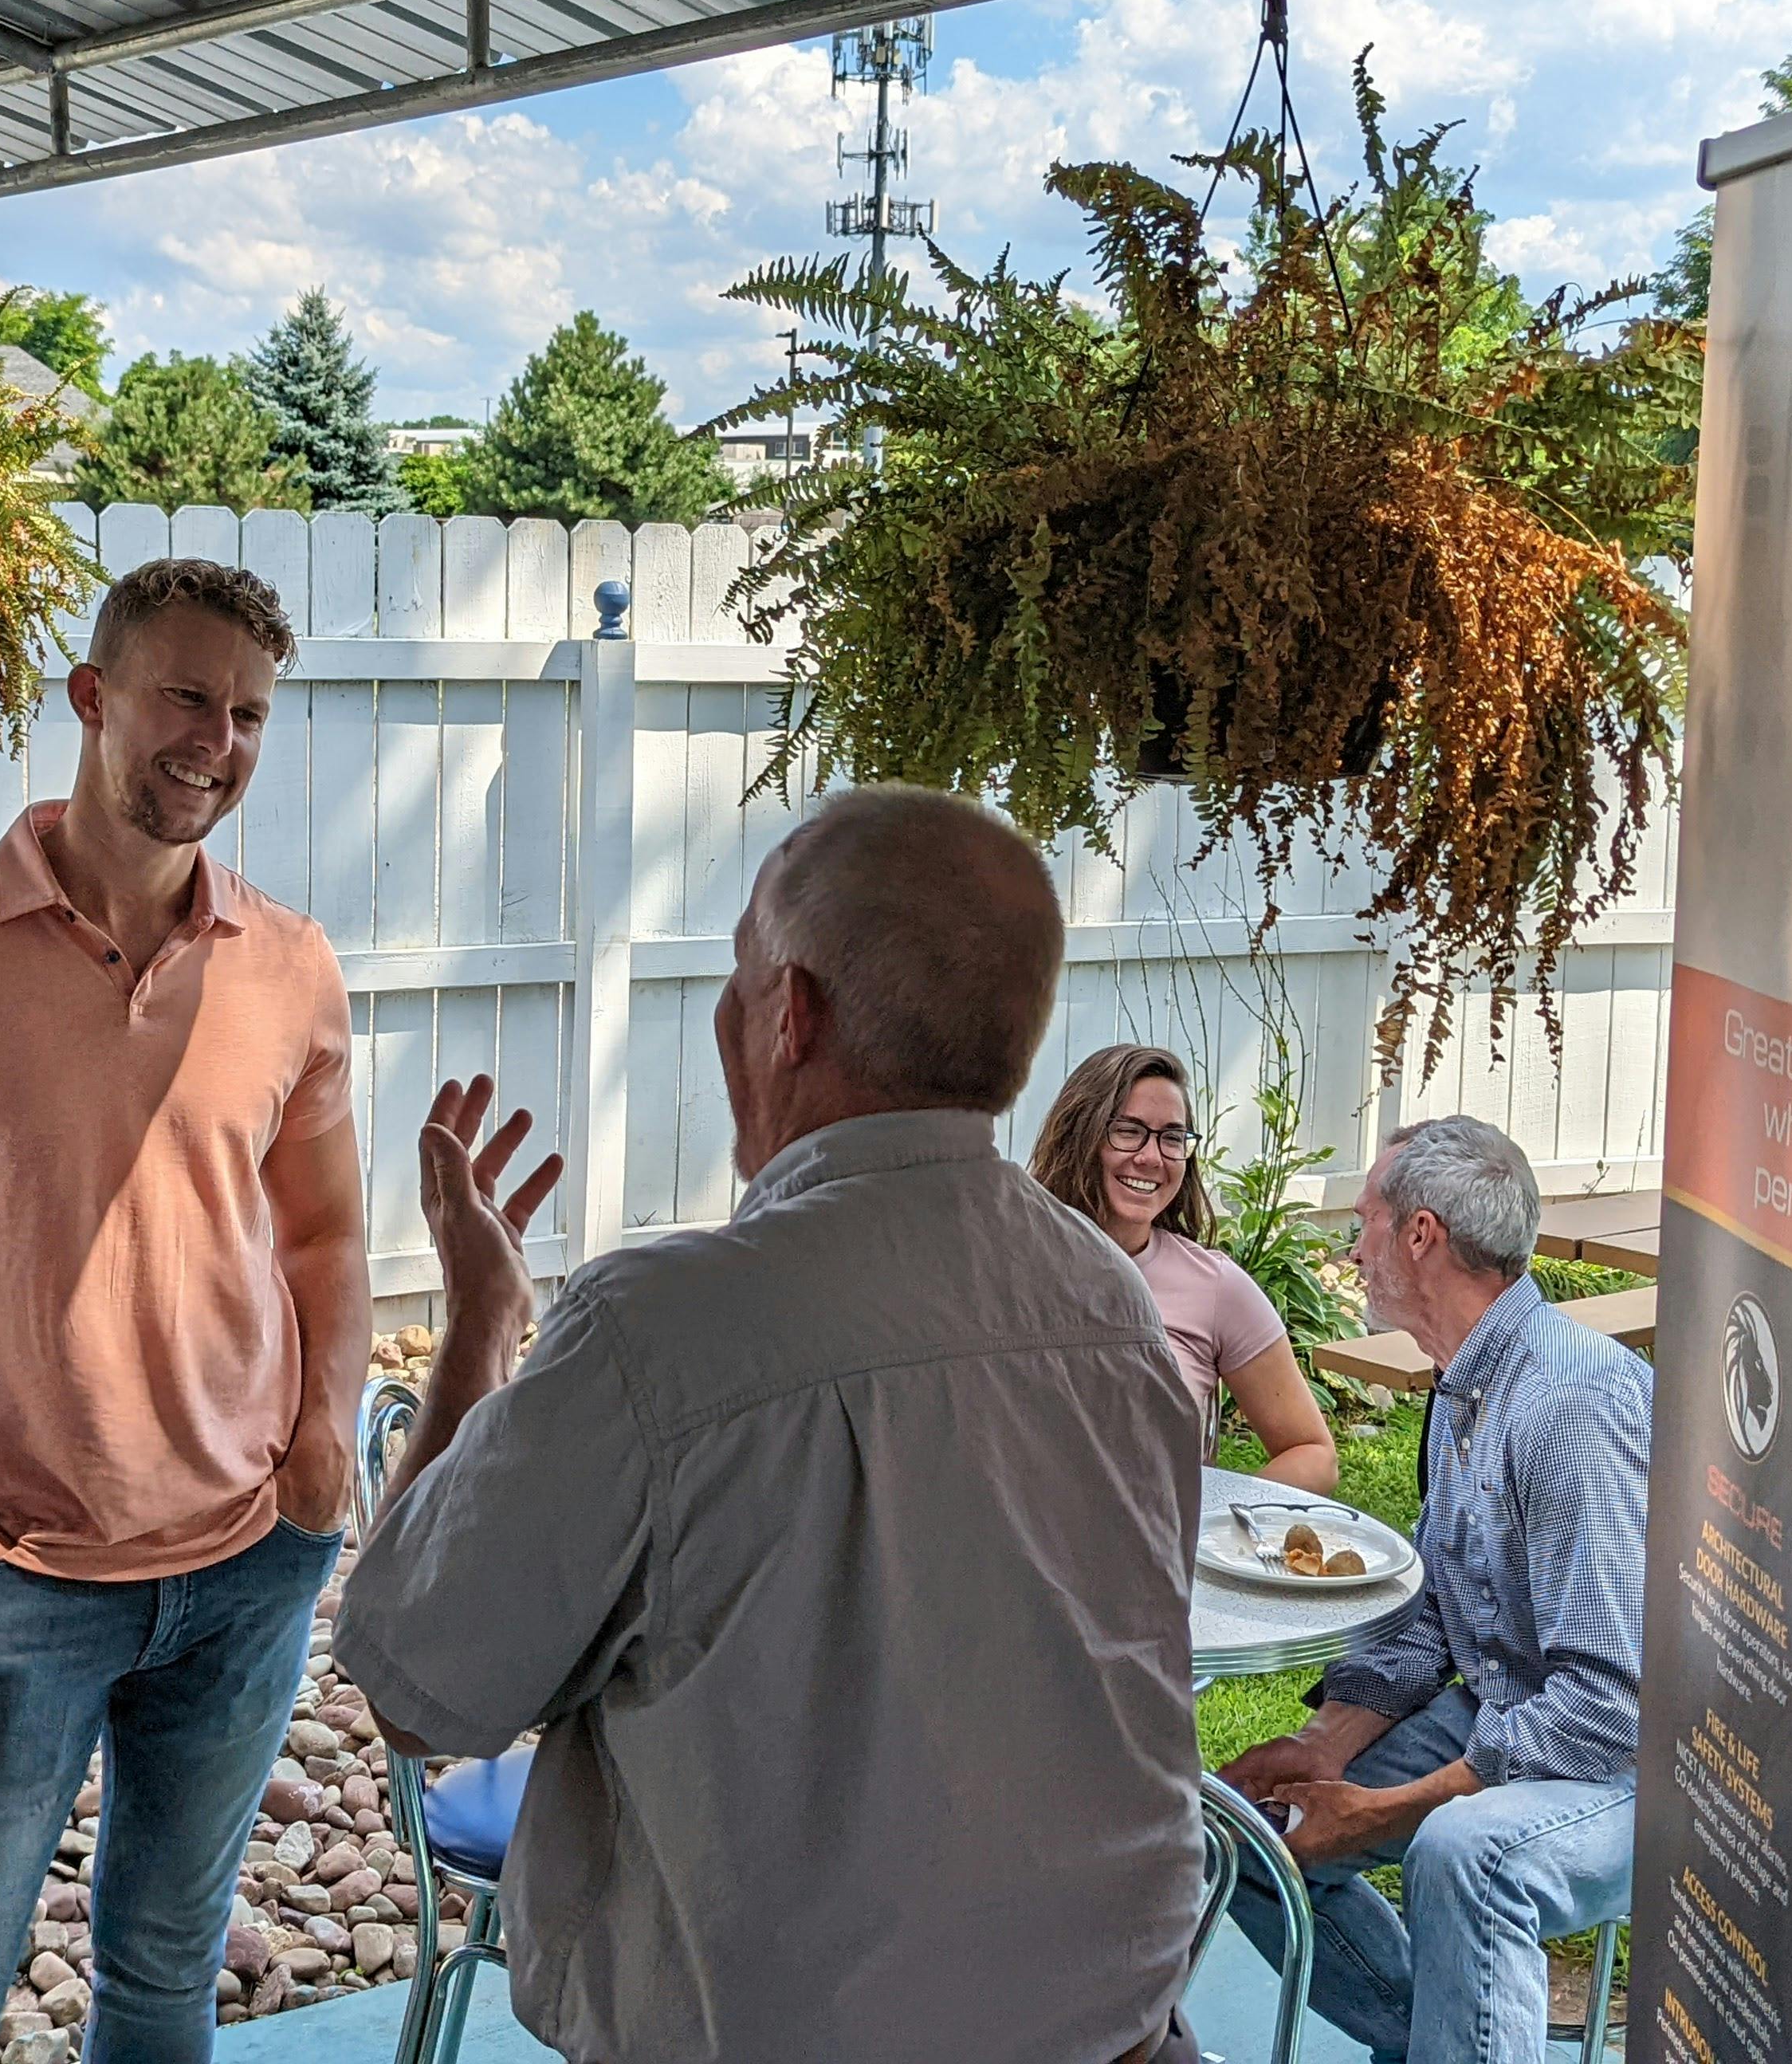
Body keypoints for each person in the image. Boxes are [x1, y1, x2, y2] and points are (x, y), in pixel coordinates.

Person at [338, 785, 1208, 2064]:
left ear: (789, 1015)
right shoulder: (1110, 1304)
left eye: (739, 975)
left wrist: (480, 1318)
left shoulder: (667, 1330)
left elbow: (421, 1686)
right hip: (1119, 2026)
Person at [0, 556, 367, 2064]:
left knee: (168, 1961)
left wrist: (320, 1452)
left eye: (249, 712)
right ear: (94, 696)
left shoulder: (292, 966)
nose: (218, 740)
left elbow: (322, 1232)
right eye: (187, 695)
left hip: (250, 1559)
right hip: (19, 1572)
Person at [1219, 1114, 1648, 2064]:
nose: (1351, 1245)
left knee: (1462, 1857)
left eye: (1365, 1218)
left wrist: (1390, 1808)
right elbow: (1433, 1625)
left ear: (1422, 1236)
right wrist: (1320, 1748)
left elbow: (1605, 1708)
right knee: (1246, 1832)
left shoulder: (1570, 1403)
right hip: (1514, 1711)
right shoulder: (1467, 1385)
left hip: (1632, 1759)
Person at [1030, 1043, 1339, 1491]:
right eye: (1128, 1130)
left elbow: (1313, 1454)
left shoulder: (1214, 1287)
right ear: (1081, 1134)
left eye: (1172, 1138)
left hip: (1158, 1559)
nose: (1152, 1157)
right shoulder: (1010, 1266)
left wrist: (1211, 1521)